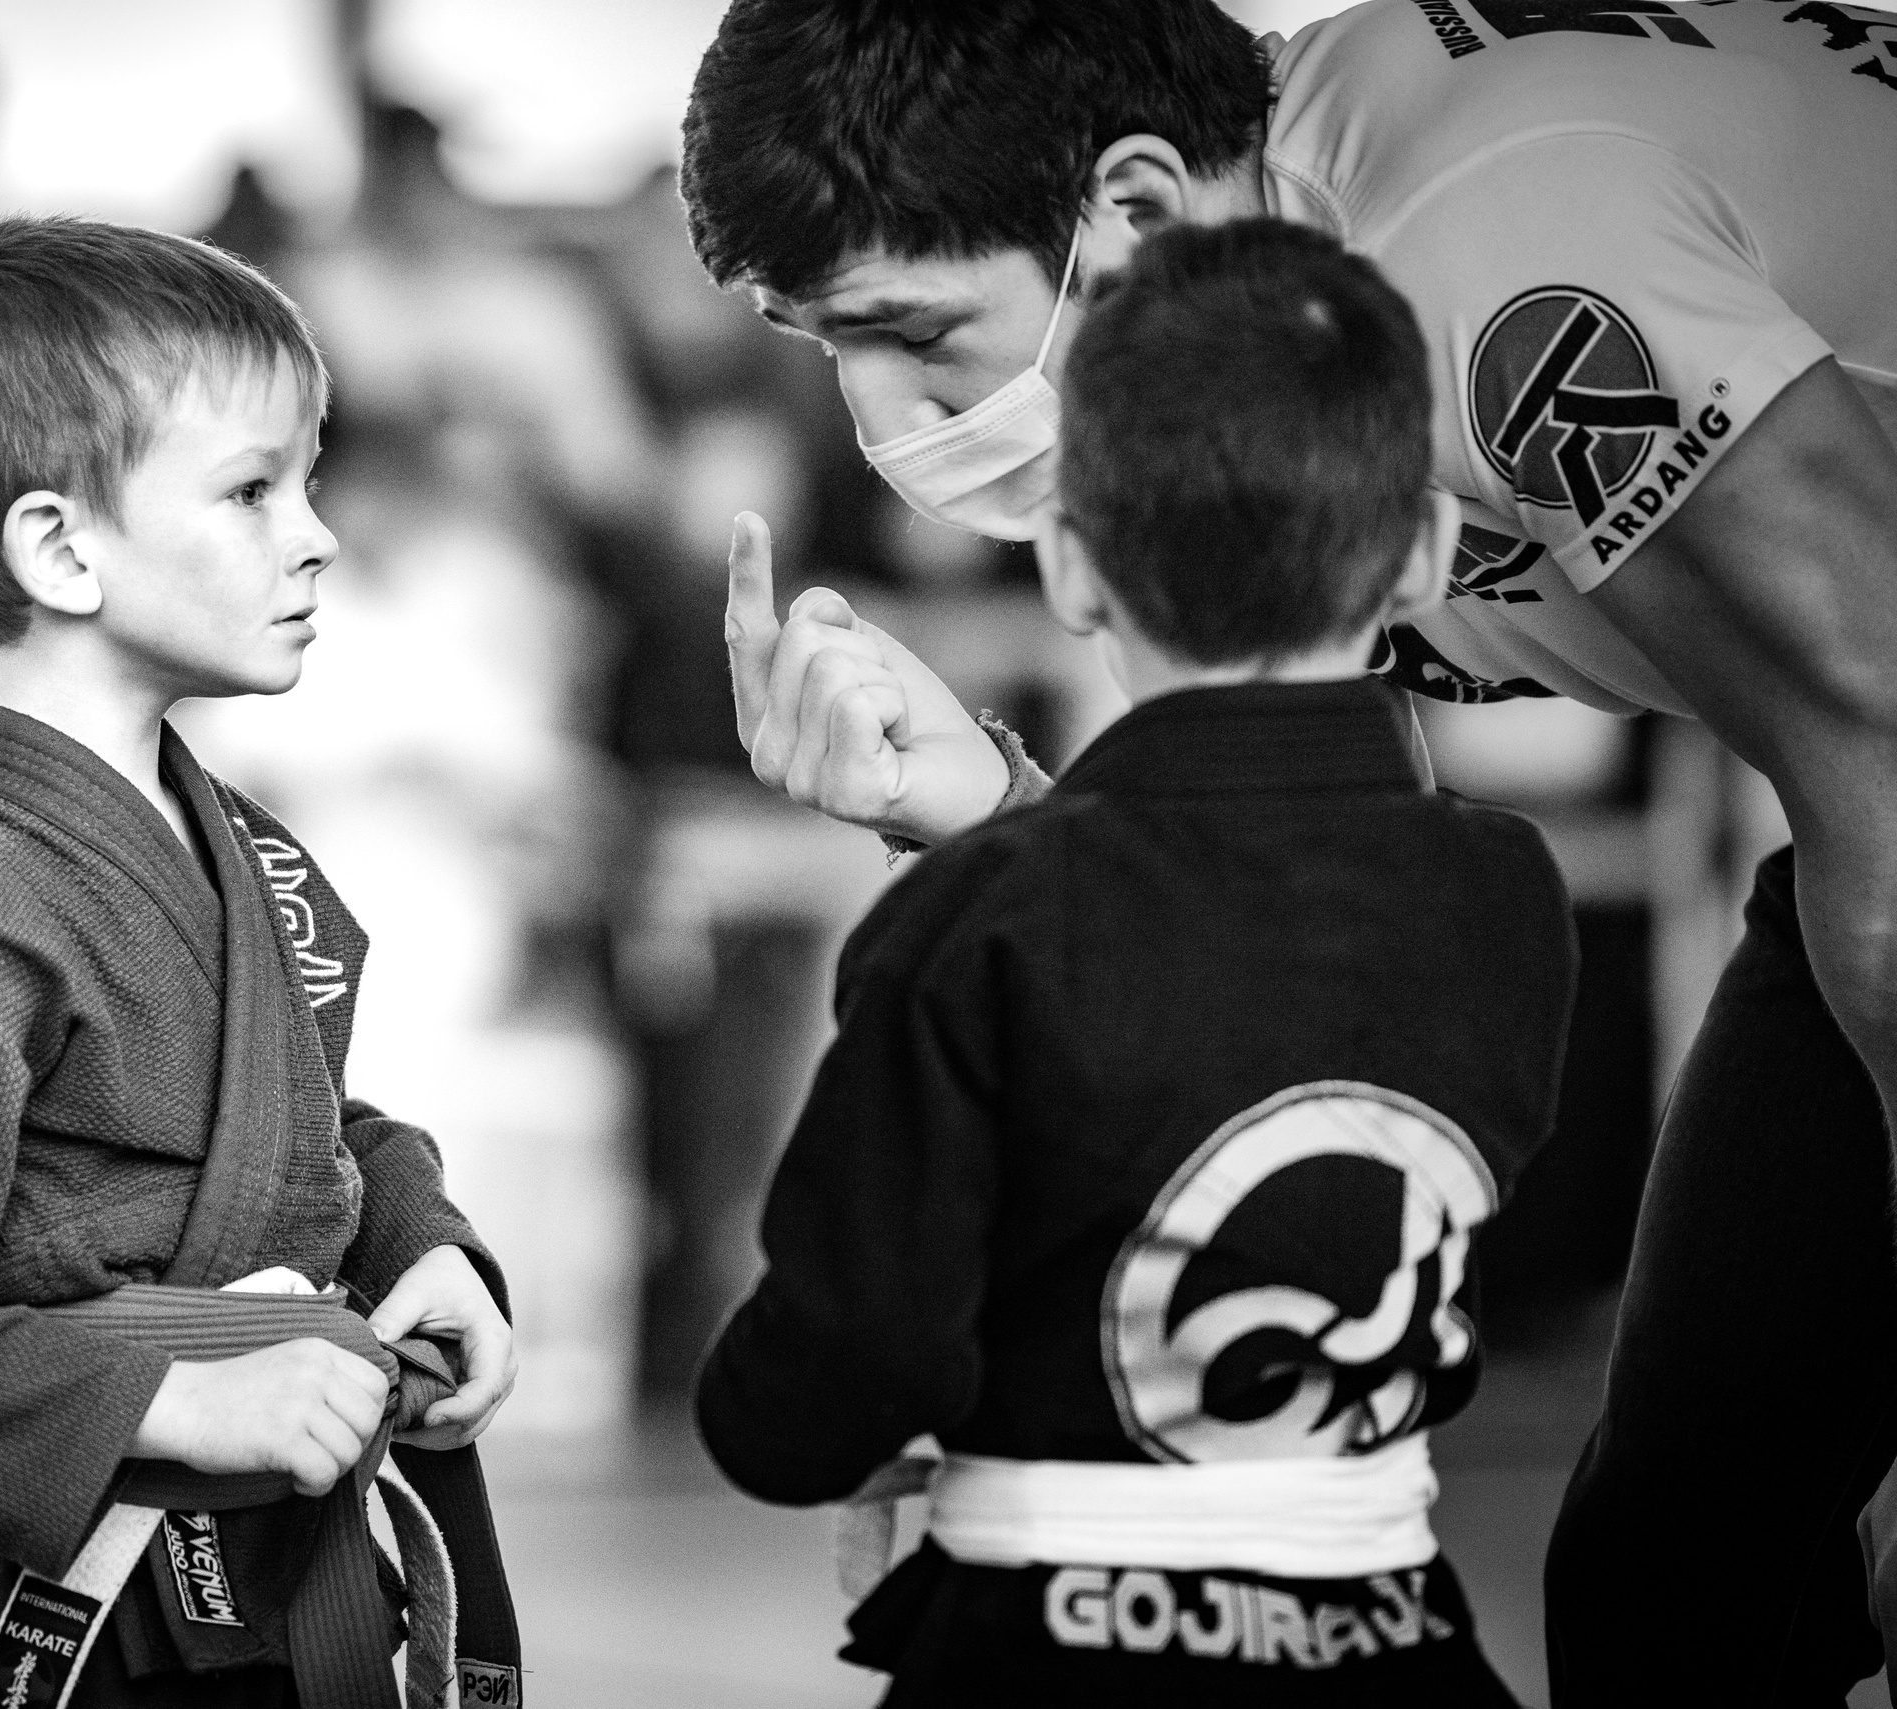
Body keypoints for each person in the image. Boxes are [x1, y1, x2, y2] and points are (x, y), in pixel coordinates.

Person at [678, 3, 1897, 1701]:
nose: (889, 418)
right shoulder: (1250, 349)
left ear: (1138, 207)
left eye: (914, 335)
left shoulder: (1498, 241)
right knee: (1681, 1581)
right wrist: (976, 818)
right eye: (829, 351)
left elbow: (1895, 741)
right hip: (1864, 812)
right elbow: (1286, 933)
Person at [697, 215, 1574, 1706]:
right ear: (1424, 550)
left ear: (1074, 563)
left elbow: (828, 1374)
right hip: (1407, 1644)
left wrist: (824, 1417)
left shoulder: (984, 917)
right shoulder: (1506, 893)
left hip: (1041, 1650)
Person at [0, 217, 520, 1709]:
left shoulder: (241, 846)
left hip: (288, 1574)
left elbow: (291, 1129)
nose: (317, 533)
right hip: (86, 1623)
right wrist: (186, 1390)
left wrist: (418, 1238)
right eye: (250, 490)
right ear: (62, 547)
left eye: (310, 477)